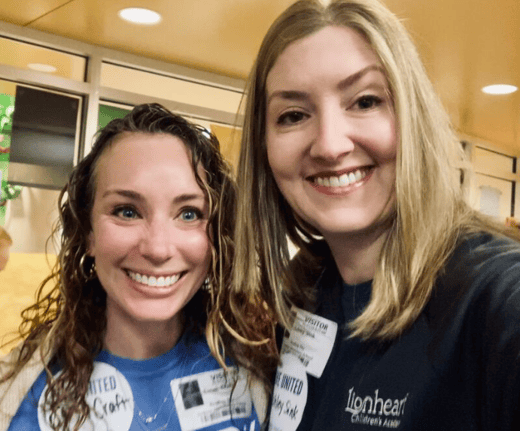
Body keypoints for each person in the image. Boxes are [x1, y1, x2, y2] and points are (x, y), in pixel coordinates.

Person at [232, 0, 520, 430]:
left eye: (365, 101)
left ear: (413, 118)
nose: (329, 145)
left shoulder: (491, 296)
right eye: (293, 115)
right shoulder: (304, 288)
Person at [0, 103, 265, 431]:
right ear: (88, 232)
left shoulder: (262, 375)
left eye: (189, 213)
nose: (157, 249)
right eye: (127, 211)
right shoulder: (16, 395)